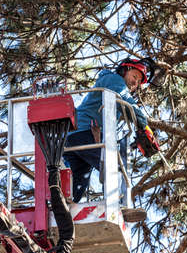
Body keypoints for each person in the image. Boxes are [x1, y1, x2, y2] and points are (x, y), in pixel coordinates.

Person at [63, 58, 156, 204]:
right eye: (134, 77)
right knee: (113, 167)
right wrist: (144, 126)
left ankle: (63, 211)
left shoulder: (110, 88)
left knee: (77, 184)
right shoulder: (114, 80)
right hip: (84, 133)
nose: (135, 83)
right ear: (124, 71)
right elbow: (126, 100)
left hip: (75, 137)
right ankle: (117, 206)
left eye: (138, 82)